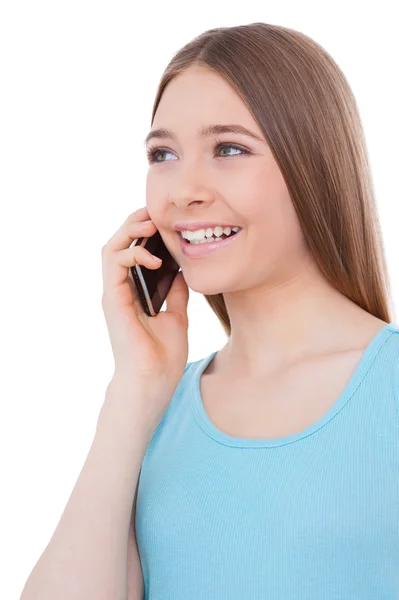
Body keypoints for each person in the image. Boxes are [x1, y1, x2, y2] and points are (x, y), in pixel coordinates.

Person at [20, 23, 399, 600]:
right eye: (163, 154)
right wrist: (135, 389)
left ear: (314, 165)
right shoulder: (155, 415)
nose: (182, 190)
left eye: (229, 148)